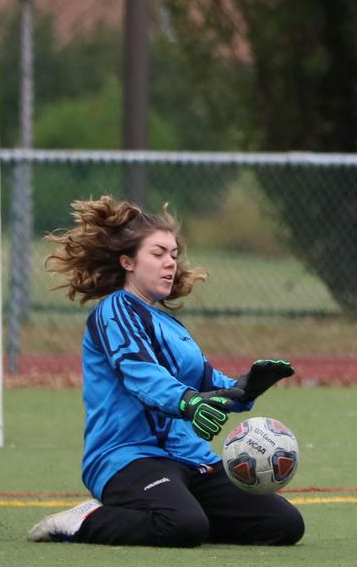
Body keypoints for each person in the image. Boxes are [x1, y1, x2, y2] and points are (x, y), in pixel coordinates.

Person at [27, 196, 304, 548]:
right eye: (158, 254)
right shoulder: (113, 311)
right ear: (127, 261)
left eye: (173, 254)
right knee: (182, 526)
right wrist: (188, 403)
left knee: (283, 525)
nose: (170, 263)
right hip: (127, 457)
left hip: (189, 458)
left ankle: (185, 517)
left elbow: (207, 385)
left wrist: (244, 389)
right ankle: (83, 520)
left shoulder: (171, 325)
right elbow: (142, 375)